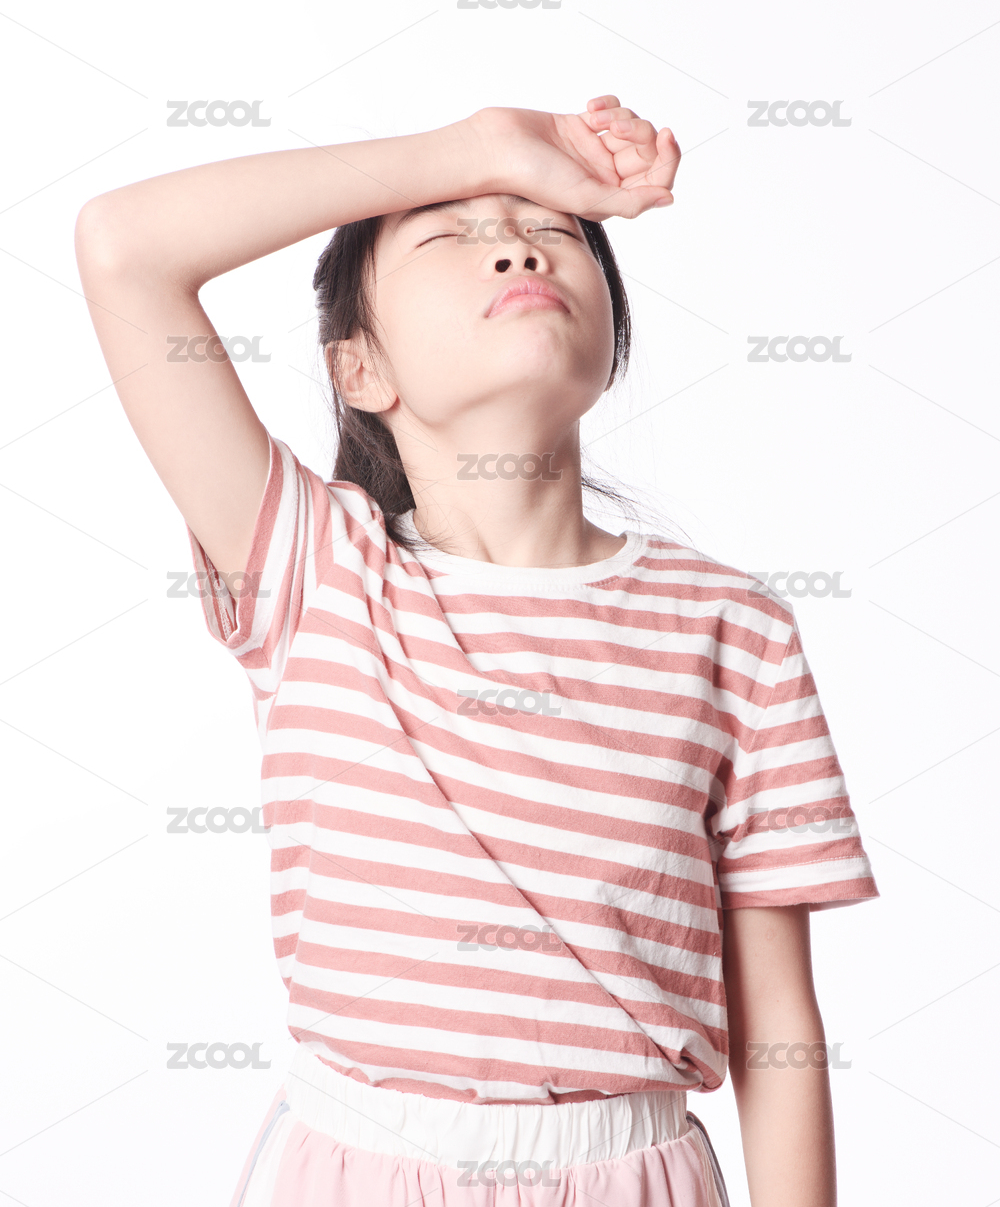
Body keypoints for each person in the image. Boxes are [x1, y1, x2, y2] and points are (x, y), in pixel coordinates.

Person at [75, 95, 878, 1207]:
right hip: (356, 1174)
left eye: (553, 230)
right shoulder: (316, 569)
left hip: (636, 1179)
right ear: (360, 370)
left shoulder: (733, 629)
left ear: (611, 340)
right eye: (449, 235)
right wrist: (477, 148)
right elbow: (125, 249)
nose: (517, 245)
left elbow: (777, 1026)